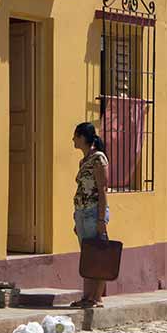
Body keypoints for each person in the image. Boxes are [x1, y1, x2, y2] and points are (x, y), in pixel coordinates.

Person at [70, 122, 110, 309]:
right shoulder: (84, 160)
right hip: (82, 212)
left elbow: (102, 190)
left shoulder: (98, 159)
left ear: (83, 137)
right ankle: (87, 297)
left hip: (94, 212)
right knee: (87, 256)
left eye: (76, 136)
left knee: (98, 255)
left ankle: (97, 297)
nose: (73, 140)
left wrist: (101, 219)